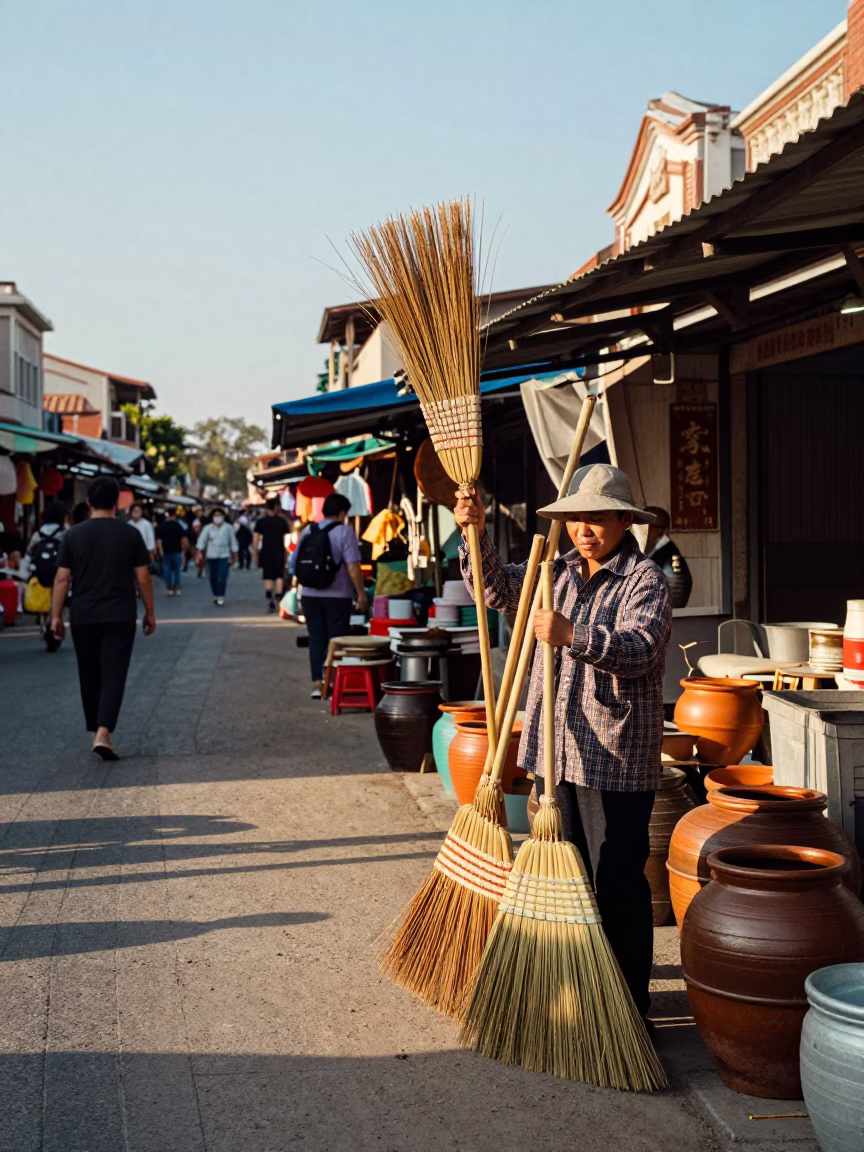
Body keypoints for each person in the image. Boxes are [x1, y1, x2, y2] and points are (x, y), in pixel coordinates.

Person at [454, 463, 671, 1023]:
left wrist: (573, 634)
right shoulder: (555, 568)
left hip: (614, 756)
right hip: (557, 746)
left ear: (625, 521)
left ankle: (626, 1006)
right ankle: (574, 995)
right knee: (564, 878)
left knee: (616, 879)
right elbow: (495, 589)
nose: (585, 529)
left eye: (598, 518)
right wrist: (473, 531)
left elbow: (641, 649)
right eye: (577, 518)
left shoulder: (645, 579)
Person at [51, 476, 156, 760]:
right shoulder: (130, 534)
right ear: (116, 503)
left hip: (83, 614)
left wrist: (55, 616)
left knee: (89, 672)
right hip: (120, 613)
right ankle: (103, 731)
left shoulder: (72, 534)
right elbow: (143, 578)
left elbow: (62, 578)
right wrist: (150, 612)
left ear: (88, 503)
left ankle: (95, 730)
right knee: (114, 672)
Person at [292, 492, 367, 699]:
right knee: (337, 639)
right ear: (342, 512)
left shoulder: (308, 529)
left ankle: (318, 685)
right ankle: (332, 683)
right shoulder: (345, 532)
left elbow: (293, 564)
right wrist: (360, 592)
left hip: (309, 594)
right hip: (338, 595)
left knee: (316, 639)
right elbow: (353, 567)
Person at [644, 506, 693, 610]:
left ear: (663, 531)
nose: (641, 532)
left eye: (646, 527)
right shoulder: (654, 552)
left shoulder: (670, 556)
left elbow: (677, 592)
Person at [253, 498, 291, 613]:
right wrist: (288, 552)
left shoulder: (261, 522)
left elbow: (255, 538)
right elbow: (288, 539)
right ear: (276, 507)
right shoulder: (282, 522)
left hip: (266, 552)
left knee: (268, 576)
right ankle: (278, 599)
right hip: (280, 552)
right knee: (279, 575)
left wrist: (254, 552)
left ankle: (270, 597)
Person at [196, 508, 237, 606]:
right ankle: (215, 594)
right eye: (216, 516)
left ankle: (221, 595)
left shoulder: (228, 528)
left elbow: (233, 542)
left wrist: (234, 555)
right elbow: (202, 541)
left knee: (222, 578)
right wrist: (199, 552)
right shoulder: (208, 528)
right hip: (211, 556)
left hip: (224, 555)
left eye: (220, 515)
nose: (217, 518)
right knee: (213, 578)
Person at [155, 507, 188, 597]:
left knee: (167, 570)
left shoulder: (162, 526)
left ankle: (169, 588)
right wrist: (185, 549)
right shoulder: (178, 525)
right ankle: (177, 587)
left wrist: (160, 550)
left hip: (165, 551)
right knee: (177, 570)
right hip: (177, 551)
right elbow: (184, 538)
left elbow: (159, 540)